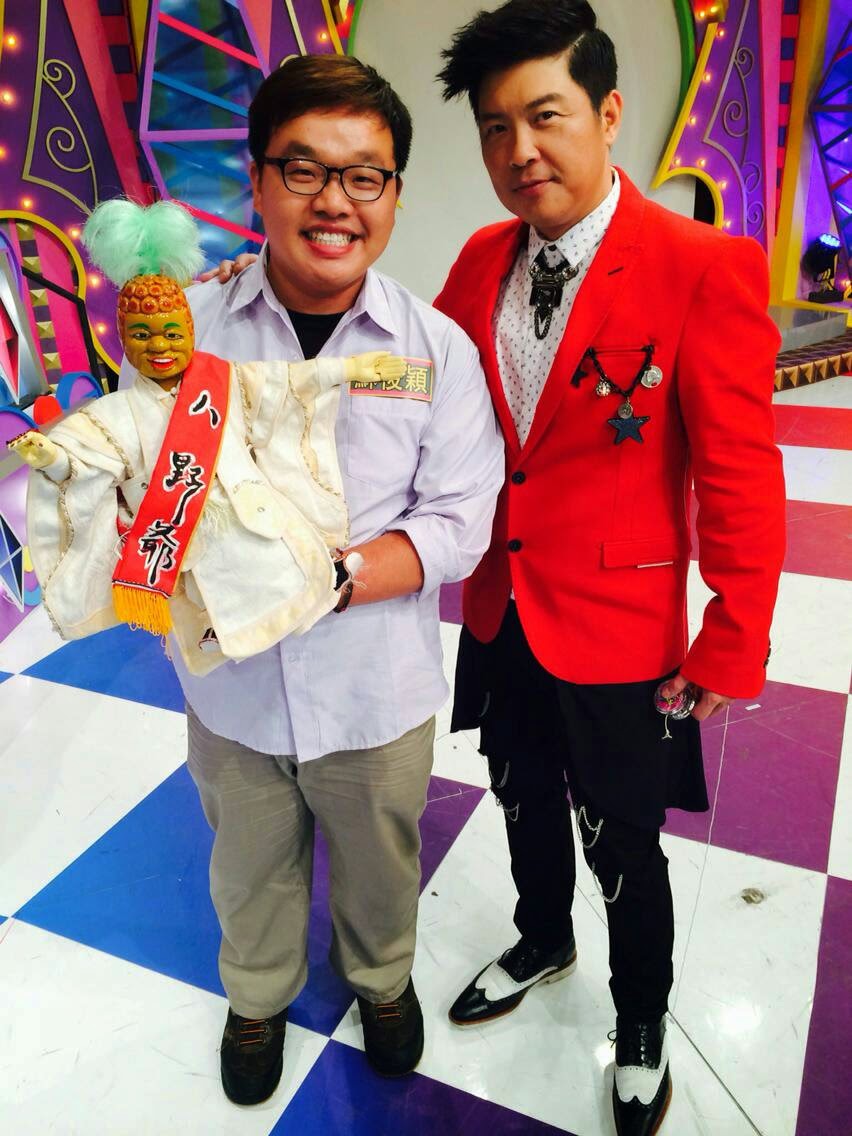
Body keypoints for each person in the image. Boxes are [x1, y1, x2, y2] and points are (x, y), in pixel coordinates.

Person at [121, 55, 503, 1106]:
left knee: (382, 863)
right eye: (304, 169)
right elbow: (142, 480)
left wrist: (323, 578)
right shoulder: (189, 332)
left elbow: (460, 519)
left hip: (376, 690)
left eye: (363, 175)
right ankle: (257, 996)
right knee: (247, 862)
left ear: (393, 195)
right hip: (232, 689)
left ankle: (382, 981)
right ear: (258, 181)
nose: (335, 200)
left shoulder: (435, 350)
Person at [434, 3, 785, 1134]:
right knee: (519, 793)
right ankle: (543, 936)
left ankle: (641, 1018)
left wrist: (731, 635)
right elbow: (423, 402)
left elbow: (740, 473)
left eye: (545, 116)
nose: (519, 149)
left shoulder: (701, 266)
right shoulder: (478, 260)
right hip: (502, 605)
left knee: (624, 836)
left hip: (622, 622)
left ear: (609, 112)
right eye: (496, 127)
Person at [11, 199, 406, 673]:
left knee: (285, 565)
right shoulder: (117, 412)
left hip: (248, 507)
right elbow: (88, 456)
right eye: (143, 335)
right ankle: (221, 632)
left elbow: (284, 382)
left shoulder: (221, 378)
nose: (159, 346)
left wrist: (347, 368)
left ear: (190, 331)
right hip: (183, 527)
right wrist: (52, 458)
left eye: (171, 333)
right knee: (212, 593)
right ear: (124, 338)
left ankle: (326, 582)